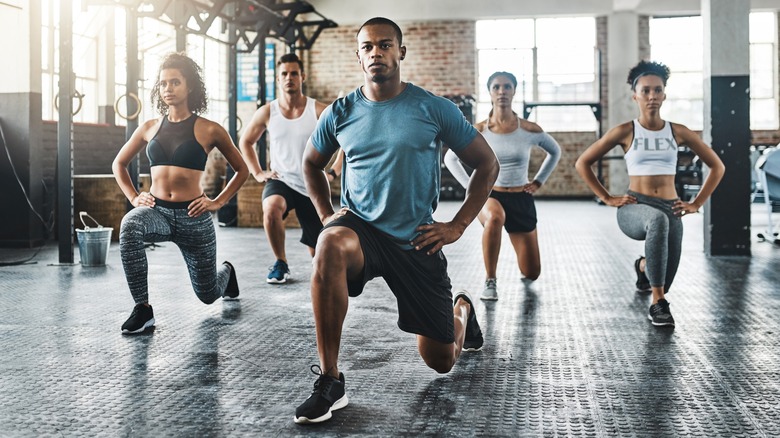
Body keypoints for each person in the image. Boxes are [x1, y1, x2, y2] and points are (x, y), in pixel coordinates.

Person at [293, 17, 499, 425]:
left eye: (385, 45)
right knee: (329, 244)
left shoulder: (433, 108)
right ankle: (331, 379)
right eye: (367, 47)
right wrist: (325, 217)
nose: (376, 53)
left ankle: (461, 312)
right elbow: (311, 165)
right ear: (358, 56)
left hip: (415, 239)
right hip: (360, 229)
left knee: (440, 361)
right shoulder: (342, 111)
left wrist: (457, 225)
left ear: (400, 52)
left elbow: (486, 163)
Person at [575, 60, 725, 327]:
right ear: (635, 95)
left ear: (664, 94)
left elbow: (717, 166)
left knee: (665, 275)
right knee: (657, 221)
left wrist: (696, 203)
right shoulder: (625, 131)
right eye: (645, 91)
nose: (652, 96)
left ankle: (644, 268)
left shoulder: (678, 131)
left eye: (657, 90)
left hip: (671, 206)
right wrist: (608, 197)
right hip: (635, 206)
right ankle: (658, 303)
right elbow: (582, 162)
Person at [112, 52, 249, 334]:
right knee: (130, 224)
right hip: (157, 213)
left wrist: (218, 202)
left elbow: (242, 169)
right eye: (163, 84)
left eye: (175, 82)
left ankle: (227, 273)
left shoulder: (210, 129)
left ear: (190, 88)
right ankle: (143, 309)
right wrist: (134, 197)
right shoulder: (149, 127)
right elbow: (119, 163)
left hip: (193, 218)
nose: (168, 89)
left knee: (207, 294)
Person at [444, 71, 561, 301]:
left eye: (507, 87)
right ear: (490, 92)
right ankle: (490, 280)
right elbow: (450, 158)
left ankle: (523, 268)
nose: (502, 92)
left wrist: (538, 181)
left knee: (532, 272)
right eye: (496, 87)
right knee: (495, 217)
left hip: (521, 198)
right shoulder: (479, 130)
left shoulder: (529, 129)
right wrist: (472, 189)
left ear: (514, 91)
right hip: (491, 195)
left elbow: (555, 151)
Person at [239, 53, 329, 284]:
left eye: (294, 73)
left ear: (302, 77)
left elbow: (345, 140)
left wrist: (334, 170)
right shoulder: (268, 112)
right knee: (271, 208)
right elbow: (246, 141)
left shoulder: (318, 110)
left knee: (319, 256)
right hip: (282, 180)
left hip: (312, 184)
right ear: (278, 79)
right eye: (284, 74)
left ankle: (319, 261)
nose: (289, 78)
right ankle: (281, 262)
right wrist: (258, 172)